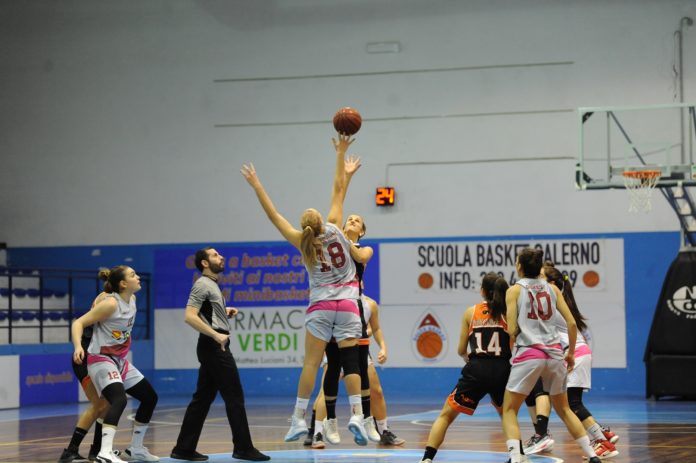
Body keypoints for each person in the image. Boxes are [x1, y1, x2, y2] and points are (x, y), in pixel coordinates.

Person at [241, 134, 368, 445]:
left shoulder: (301, 241)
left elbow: (273, 215)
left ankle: (298, 418)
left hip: (321, 307)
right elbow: (338, 189)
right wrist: (340, 153)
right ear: (322, 220)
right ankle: (357, 415)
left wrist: (257, 185)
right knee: (352, 362)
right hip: (348, 305)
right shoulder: (336, 228)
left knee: (311, 364)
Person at [305, 215, 404, 447]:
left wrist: (341, 238)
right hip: (335, 314)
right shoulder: (329, 247)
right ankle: (316, 432)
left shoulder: (361, 250)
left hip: (352, 317)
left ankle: (382, 429)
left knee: (374, 387)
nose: (351, 220)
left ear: (362, 231)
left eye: (357, 220)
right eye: (348, 218)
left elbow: (360, 257)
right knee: (327, 386)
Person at [501, 248, 600, 463]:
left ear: (519, 266)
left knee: (509, 409)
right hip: (555, 355)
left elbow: (511, 329)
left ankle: (516, 458)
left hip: (529, 353)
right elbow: (571, 323)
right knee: (564, 409)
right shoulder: (553, 289)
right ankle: (593, 455)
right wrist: (570, 354)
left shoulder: (514, 291)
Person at [170, 247, 270, 462]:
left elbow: (206, 315)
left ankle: (184, 448)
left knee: (202, 399)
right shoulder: (202, 284)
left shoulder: (212, 284)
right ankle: (243, 448)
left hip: (213, 346)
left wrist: (225, 312)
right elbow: (189, 316)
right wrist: (216, 335)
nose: (221, 257)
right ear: (205, 263)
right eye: (215, 255)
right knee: (234, 396)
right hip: (214, 347)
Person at [419, 273, 511, 463]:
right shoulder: (508, 313)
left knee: (445, 416)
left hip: (476, 369)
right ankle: (517, 456)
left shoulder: (471, 312)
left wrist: (469, 358)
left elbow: (461, 349)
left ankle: (427, 459)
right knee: (508, 416)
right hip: (502, 370)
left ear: (483, 291)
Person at [72, 266, 159, 463]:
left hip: (119, 360)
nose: (138, 277)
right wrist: (78, 346)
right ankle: (104, 453)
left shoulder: (132, 299)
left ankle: (135, 449)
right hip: (100, 358)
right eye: (133, 275)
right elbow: (78, 323)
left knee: (150, 397)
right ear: (123, 284)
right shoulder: (110, 304)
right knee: (119, 400)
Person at [541, 263, 619, 459]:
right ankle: (602, 434)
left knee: (572, 404)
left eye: (541, 278)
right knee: (570, 403)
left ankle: (603, 442)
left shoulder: (551, 305)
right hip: (576, 353)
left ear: (552, 284)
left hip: (574, 354)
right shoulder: (556, 302)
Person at [58, 292, 111, 463]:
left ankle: (96, 450)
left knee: (107, 404)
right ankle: (71, 451)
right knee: (99, 404)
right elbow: (78, 323)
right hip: (85, 359)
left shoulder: (122, 302)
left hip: (99, 358)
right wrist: (78, 347)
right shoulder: (107, 299)